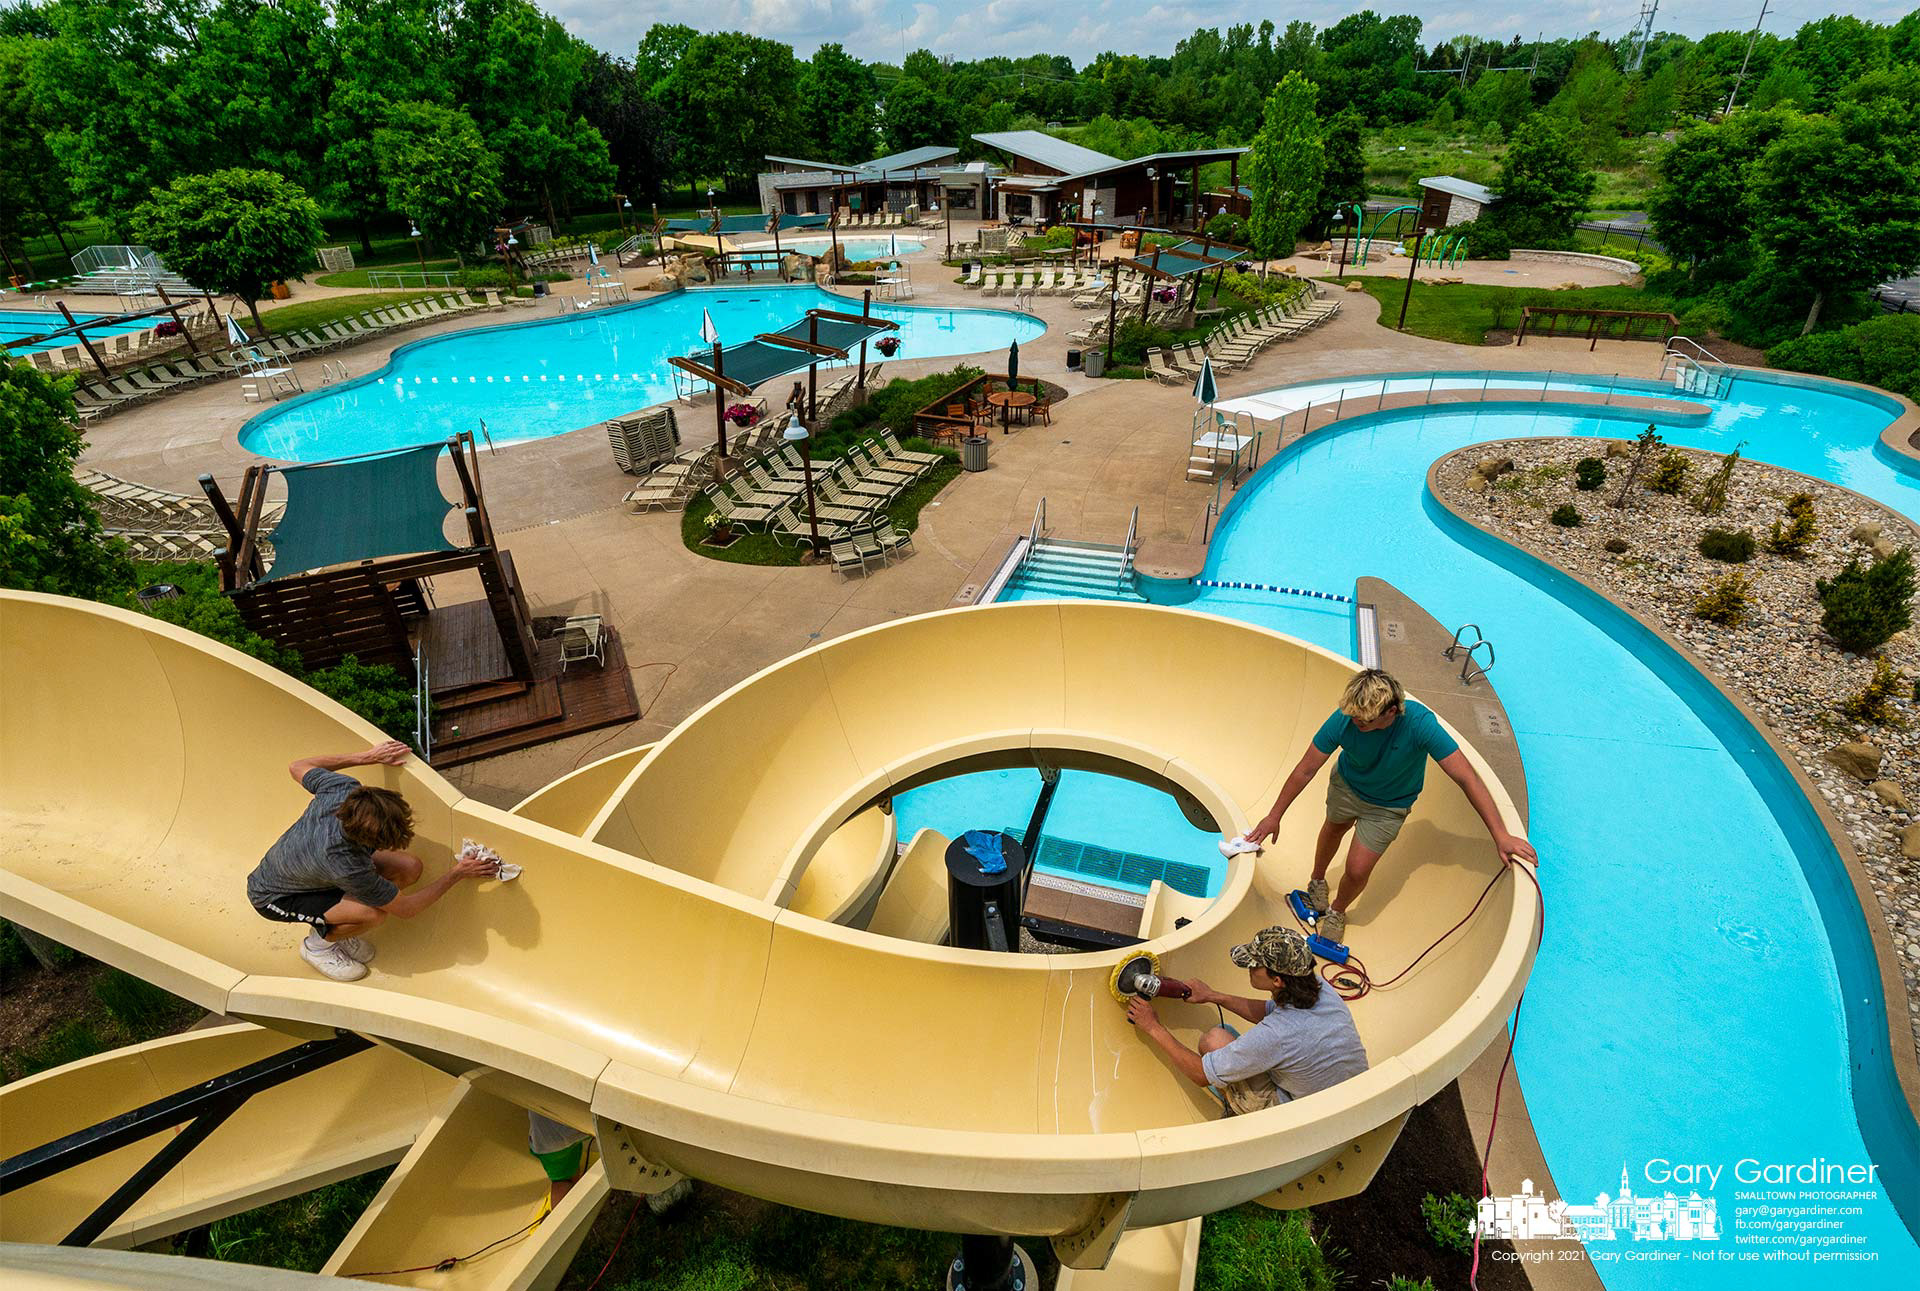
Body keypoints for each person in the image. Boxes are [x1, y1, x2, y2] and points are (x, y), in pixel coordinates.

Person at [1249, 669, 1536, 944]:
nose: (1357, 724)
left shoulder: (1420, 724)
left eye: (1365, 721)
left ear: (1391, 711)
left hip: (1388, 806)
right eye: (1354, 717)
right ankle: (1317, 881)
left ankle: (1337, 910)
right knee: (1334, 828)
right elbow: (1305, 769)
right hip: (1347, 787)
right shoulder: (1345, 719)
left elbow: (1466, 777)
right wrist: (1274, 816)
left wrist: (1501, 835)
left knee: (1358, 869)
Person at [246, 741, 498, 982]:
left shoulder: (343, 790)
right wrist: (457, 873)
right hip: (274, 896)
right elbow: (407, 910)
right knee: (372, 915)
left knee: (410, 868)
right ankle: (318, 946)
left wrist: (366, 757)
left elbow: (297, 766)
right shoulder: (347, 865)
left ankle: (335, 923)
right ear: (364, 841)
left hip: (309, 870)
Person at [1127, 927, 1368, 1116]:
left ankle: (1240, 1112)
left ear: (1277, 981)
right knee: (1231, 1043)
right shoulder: (1319, 988)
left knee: (1214, 1040)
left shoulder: (1277, 1034)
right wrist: (1213, 996)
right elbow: (1268, 1010)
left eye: (1255, 965)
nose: (1249, 969)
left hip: (1304, 1118)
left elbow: (1201, 1074)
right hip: (1353, 1097)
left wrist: (1153, 1027)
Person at [528, 1113, 591, 1209]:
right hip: (554, 1139)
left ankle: (566, 1219)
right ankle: (565, 1219)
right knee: (563, 1181)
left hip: (546, 1141)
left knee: (566, 1176)